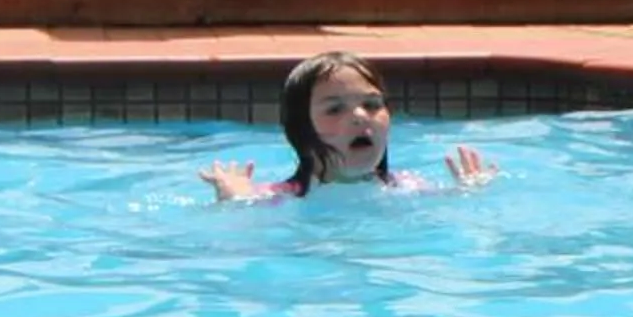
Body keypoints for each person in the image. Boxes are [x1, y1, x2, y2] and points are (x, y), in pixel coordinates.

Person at [199, 51, 494, 201]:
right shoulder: (279, 198)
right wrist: (235, 200)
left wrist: (468, 192)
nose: (360, 116)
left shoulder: (408, 188)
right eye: (335, 109)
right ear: (301, 130)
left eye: (372, 104)